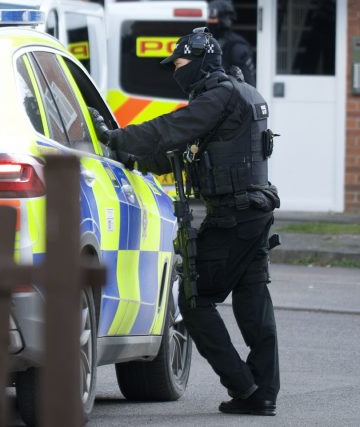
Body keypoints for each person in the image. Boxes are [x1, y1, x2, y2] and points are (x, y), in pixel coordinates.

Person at [91, 27, 280, 417]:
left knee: (193, 302)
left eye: (179, 63)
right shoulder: (239, 93)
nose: (176, 71)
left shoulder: (220, 96)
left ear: (199, 60)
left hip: (235, 214)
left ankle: (244, 386)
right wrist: (137, 160)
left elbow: (172, 129)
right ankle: (262, 393)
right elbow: (183, 154)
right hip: (252, 212)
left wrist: (116, 138)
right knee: (252, 302)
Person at [208, 0, 256, 87]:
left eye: (213, 17)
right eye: (209, 17)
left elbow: (248, 87)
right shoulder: (201, 42)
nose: (210, 21)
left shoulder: (237, 48)